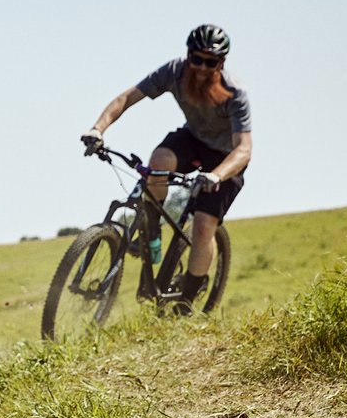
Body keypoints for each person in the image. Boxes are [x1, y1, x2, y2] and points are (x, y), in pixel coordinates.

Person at [79, 23, 252, 310]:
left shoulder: (234, 93)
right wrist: (98, 129)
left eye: (210, 62)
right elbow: (127, 97)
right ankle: (153, 231)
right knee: (157, 163)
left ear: (221, 63)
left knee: (202, 226)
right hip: (193, 138)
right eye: (196, 59)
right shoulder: (174, 72)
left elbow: (244, 148)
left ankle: (186, 301)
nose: (201, 68)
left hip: (226, 159)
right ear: (188, 56)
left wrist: (216, 174)